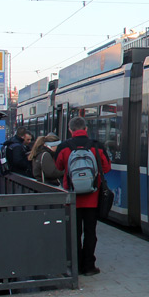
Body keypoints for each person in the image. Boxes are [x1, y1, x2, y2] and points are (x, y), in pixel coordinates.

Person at [55, 117, 111, 275]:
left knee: (74, 233)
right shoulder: (96, 146)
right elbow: (106, 168)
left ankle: (75, 265)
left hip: (71, 198)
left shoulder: (64, 147)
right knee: (90, 233)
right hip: (92, 199)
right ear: (86, 129)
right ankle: (88, 266)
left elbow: (58, 166)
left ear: (70, 130)